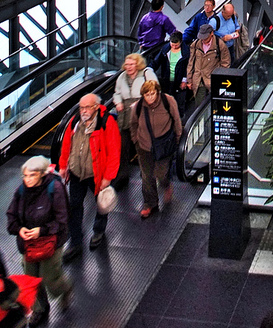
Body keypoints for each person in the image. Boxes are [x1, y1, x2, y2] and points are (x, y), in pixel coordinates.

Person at [6, 156, 72, 326]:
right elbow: (11, 216)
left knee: (50, 278)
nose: (27, 179)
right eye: (25, 176)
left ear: (42, 175)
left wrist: (41, 231)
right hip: (29, 245)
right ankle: (40, 308)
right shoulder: (21, 191)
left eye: (32, 175)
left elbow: (62, 219)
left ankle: (65, 289)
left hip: (51, 242)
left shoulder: (54, 188)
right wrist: (19, 229)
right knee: (31, 278)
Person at [59, 92, 121, 261]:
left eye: (87, 107)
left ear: (96, 107)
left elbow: (114, 152)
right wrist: (64, 166)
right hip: (77, 173)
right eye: (81, 107)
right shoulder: (75, 122)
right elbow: (66, 145)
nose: (83, 110)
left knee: (101, 204)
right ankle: (75, 241)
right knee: (74, 205)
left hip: (97, 174)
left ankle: (98, 231)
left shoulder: (106, 122)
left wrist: (108, 178)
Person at [130, 79, 183, 218]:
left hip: (164, 145)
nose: (150, 97)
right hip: (144, 146)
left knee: (161, 174)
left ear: (157, 92)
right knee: (147, 176)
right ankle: (150, 203)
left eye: (153, 93)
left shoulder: (168, 101)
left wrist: (178, 140)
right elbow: (133, 124)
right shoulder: (139, 106)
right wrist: (136, 141)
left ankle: (166, 185)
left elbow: (177, 121)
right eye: (147, 94)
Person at [113, 53, 158, 186]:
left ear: (137, 64)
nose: (129, 67)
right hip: (125, 115)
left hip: (142, 112)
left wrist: (141, 103)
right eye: (127, 64)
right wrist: (118, 102)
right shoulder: (122, 76)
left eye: (132, 64)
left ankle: (147, 175)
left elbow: (155, 90)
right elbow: (117, 93)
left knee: (143, 146)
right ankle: (122, 176)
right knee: (123, 145)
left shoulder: (146, 73)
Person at [184, 23, 230, 105]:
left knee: (215, 105)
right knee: (199, 106)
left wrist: (220, 80)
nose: (203, 40)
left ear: (211, 33)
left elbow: (225, 64)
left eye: (205, 37)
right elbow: (191, 62)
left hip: (213, 80)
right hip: (198, 80)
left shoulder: (220, 45)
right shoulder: (195, 45)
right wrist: (189, 79)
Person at [154, 32, 189, 112]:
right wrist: (149, 68)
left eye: (176, 45)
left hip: (179, 80)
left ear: (181, 42)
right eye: (172, 45)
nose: (173, 47)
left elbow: (188, 67)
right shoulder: (165, 49)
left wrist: (184, 80)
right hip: (167, 79)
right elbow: (157, 61)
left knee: (179, 104)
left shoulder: (186, 52)